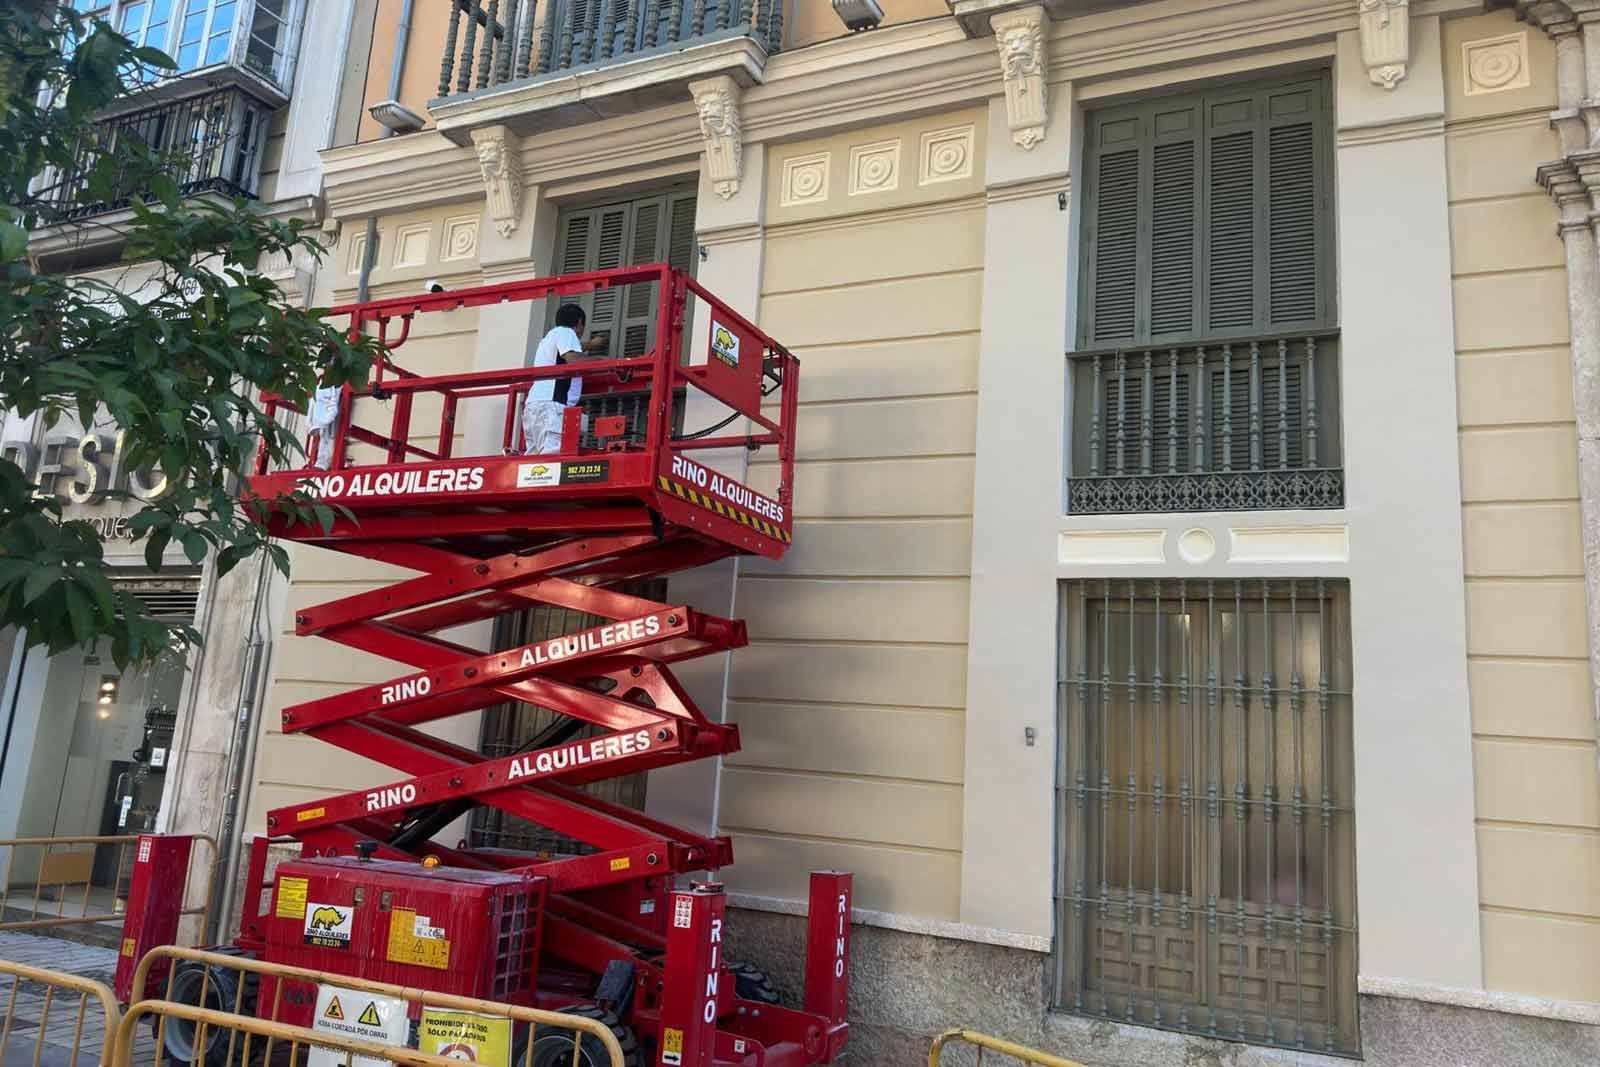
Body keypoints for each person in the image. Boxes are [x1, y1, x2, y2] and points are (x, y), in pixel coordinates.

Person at [521, 304, 605, 455]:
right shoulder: (567, 332)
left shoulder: (549, 338)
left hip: (534, 407)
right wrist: (607, 362)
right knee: (552, 459)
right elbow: (573, 358)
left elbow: (573, 347)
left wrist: (591, 345)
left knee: (533, 464)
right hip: (551, 407)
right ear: (579, 323)